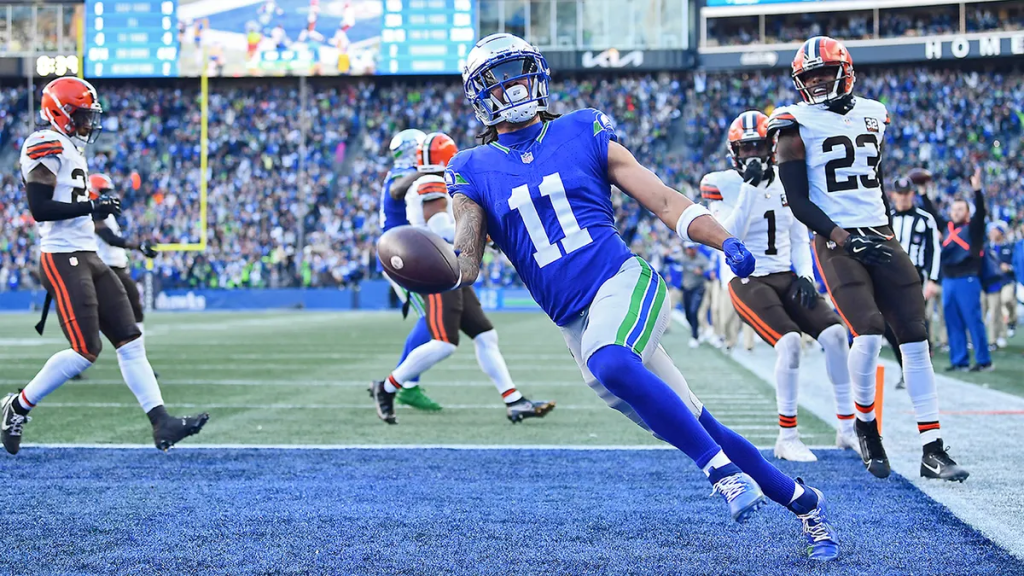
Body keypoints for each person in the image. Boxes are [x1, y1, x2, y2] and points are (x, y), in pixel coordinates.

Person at [442, 33, 838, 560]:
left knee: (611, 360)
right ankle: (806, 504)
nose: (512, 86)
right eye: (498, 79)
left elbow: (664, 200)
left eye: (519, 72)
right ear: (479, 95)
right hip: (574, 322)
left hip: (623, 282)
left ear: (537, 74)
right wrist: (430, 267)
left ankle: (721, 475)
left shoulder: (582, 128)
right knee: (697, 422)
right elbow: (466, 259)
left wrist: (725, 240)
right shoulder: (470, 167)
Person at [770, 36, 968, 482]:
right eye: (810, 77)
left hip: (879, 233)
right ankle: (866, 427)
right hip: (835, 240)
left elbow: (873, 182)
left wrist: (886, 233)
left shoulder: (874, 113)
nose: (818, 83)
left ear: (846, 72)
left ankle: (933, 449)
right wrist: (842, 237)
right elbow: (798, 201)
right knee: (870, 330)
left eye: (825, 73)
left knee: (915, 337)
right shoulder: (793, 122)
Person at [0, 77, 208, 455]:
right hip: (62, 256)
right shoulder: (44, 142)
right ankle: (17, 406)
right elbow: (40, 208)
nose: (88, 123)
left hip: (88, 256)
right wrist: (92, 206)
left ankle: (161, 422)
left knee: (130, 339)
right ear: (60, 113)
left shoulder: (71, 147)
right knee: (85, 349)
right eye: (81, 115)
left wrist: (91, 208)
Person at [370, 132, 555, 424]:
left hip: (449, 266)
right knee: (444, 342)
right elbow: (441, 228)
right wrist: (481, 234)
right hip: (438, 269)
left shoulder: (429, 180)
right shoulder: (430, 183)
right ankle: (387, 387)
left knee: (486, 336)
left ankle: (514, 401)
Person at [709, 110, 859, 462]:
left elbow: (798, 236)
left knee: (836, 335)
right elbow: (729, 237)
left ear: (772, 147)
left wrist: (806, 275)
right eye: (746, 148)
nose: (753, 154)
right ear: (734, 152)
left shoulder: (786, 180)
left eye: (759, 146)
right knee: (789, 343)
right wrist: (750, 188)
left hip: (785, 273)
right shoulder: (721, 183)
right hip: (747, 278)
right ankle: (787, 437)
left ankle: (847, 427)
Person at [377, 128, 440, 411]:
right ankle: (403, 385)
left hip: (406, 252)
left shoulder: (407, 172)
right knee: (431, 316)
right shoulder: (403, 173)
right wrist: (424, 171)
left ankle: (405, 383)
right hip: (399, 255)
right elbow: (396, 190)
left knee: (434, 316)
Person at [923, 169, 992, 371]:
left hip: (967, 279)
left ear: (967, 212)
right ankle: (959, 360)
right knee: (952, 322)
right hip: (949, 280)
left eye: (960, 209)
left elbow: (981, 212)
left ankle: (983, 360)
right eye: (954, 209)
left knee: (973, 320)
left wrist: (977, 190)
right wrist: (923, 193)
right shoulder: (947, 227)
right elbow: (932, 214)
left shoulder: (974, 228)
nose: (956, 212)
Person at [885, 176, 941, 389]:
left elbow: (934, 250)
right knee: (888, 326)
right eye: (899, 194)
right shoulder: (886, 218)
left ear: (912, 194)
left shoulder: (925, 219)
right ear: (893, 195)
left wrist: (932, 279)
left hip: (915, 276)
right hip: (889, 276)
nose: (903, 198)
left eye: (906, 193)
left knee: (913, 324)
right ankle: (905, 368)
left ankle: (919, 371)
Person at [986, 221, 1016, 348]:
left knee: (1006, 300)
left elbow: (1017, 263)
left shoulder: (1010, 247)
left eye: (995, 230)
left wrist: (1009, 268)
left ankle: (1012, 320)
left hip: (1006, 281)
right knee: (994, 311)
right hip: (992, 282)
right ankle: (994, 339)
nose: (992, 233)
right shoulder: (987, 247)